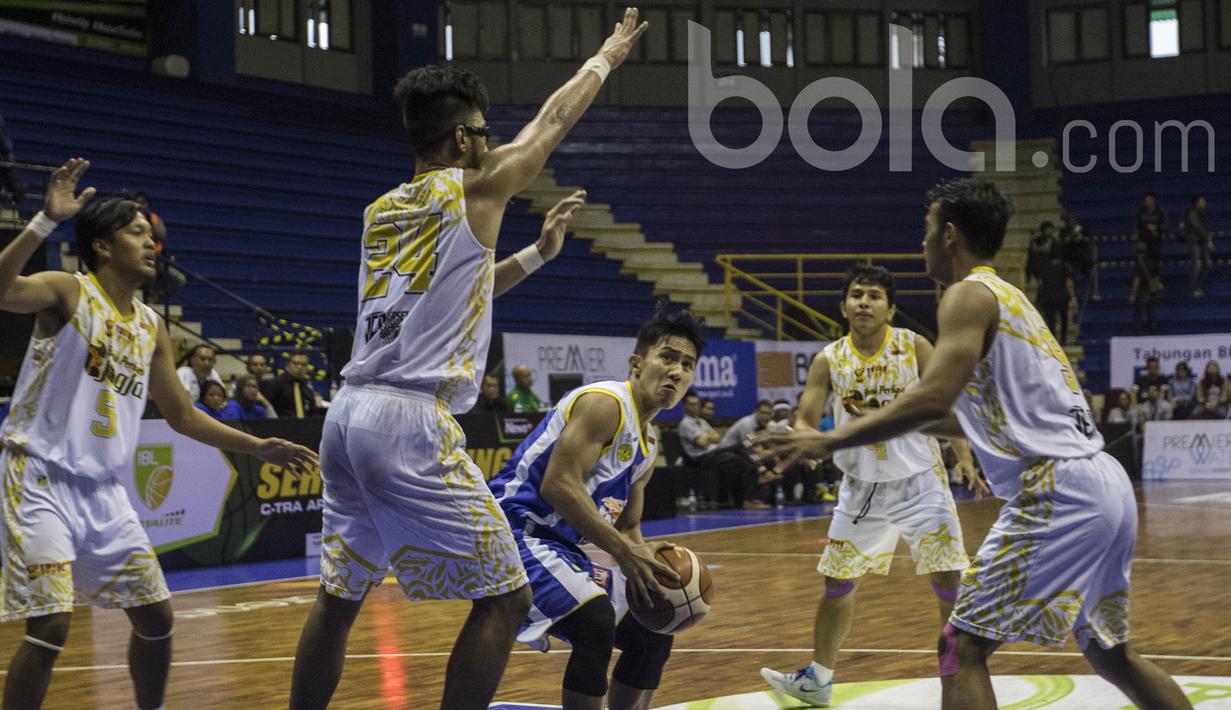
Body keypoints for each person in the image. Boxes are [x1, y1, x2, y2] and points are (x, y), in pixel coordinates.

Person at [288, 12, 649, 710]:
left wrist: (537, 256)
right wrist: (605, 56)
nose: (492, 143)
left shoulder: (382, 210)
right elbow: (551, 122)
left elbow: (463, 288)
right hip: (408, 422)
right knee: (507, 600)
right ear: (462, 137)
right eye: (484, 132)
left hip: (348, 414)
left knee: (338, 600)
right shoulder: (474, 188)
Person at [752, 178, 1190, 710]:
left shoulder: (965, 296)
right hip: (1105, 482)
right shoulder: (1012, 298)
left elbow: (936, 399)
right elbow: (968, 419)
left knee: (960, 646)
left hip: (1059, 488)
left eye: (927, 230)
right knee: (1108, 653)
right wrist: (887, 420)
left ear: (951, 235)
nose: (923, 243)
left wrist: (833, 438)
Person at [0, 160, 315, 710]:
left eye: (153, 235)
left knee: (157, 615)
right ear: (102, 246)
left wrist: (257, 446)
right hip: (38, 479)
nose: (153, 244)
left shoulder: (151, 326)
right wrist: (43, 224)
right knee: (49, 626)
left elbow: (183, 415)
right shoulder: (67, 292)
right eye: (138, 232)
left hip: (103, 492)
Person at [760, 264, 982, 707]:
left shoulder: (913, 345)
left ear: (891, 308)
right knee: (837, 583)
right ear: (843, 306)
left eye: (875, 295)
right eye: (857, 295)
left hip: (922, 482)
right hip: (862, 488)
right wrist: (803, 437)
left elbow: (945, 400)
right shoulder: (829, 358)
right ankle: (818, 680)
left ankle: (956, 678)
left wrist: (963, 457)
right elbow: (807, 414)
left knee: (949, 578)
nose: (865, 301)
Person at [488, 306, 705, 710]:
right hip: (511, 531)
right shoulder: (606, 404)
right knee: (595, 621)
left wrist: (651, 567)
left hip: (558, 548)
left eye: (687, 364)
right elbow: (558, 485)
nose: (676, 371)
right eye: (668, 357)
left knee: (652, 629)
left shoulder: (649, 442)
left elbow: (630, 527)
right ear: (637, 364)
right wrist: (625, 553)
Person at [263, 352, 323, 418]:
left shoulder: (307, 390)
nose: (299, 367)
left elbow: (313, 414)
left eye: (303, 364)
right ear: (287, 365)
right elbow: (265, 408)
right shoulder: (275, 384)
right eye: (295, 363)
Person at [1034, 253, 1076, 344]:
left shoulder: (1045, 267)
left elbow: (1040, 284)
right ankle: (1063, 339)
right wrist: (1072, 297)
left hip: (1049, 296)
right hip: (1062, 296)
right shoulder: (1064, 267)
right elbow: (1069, 283)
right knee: (1064, 319)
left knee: (1051, 320)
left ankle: (1053, 341)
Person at [1184, 195, 1213, 298]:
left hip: (1202, 242)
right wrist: (1208, 240)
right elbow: (1198, 228)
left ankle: (1197, 286)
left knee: (1208, 264)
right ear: (1197, 202)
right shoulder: (1192, 213)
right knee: (1197, 265)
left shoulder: (1203, 214)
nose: (1204, 203)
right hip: (1194, 242)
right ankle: (1193, 289)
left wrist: (1208, 240)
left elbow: (1205, 229)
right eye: (1202, 201)